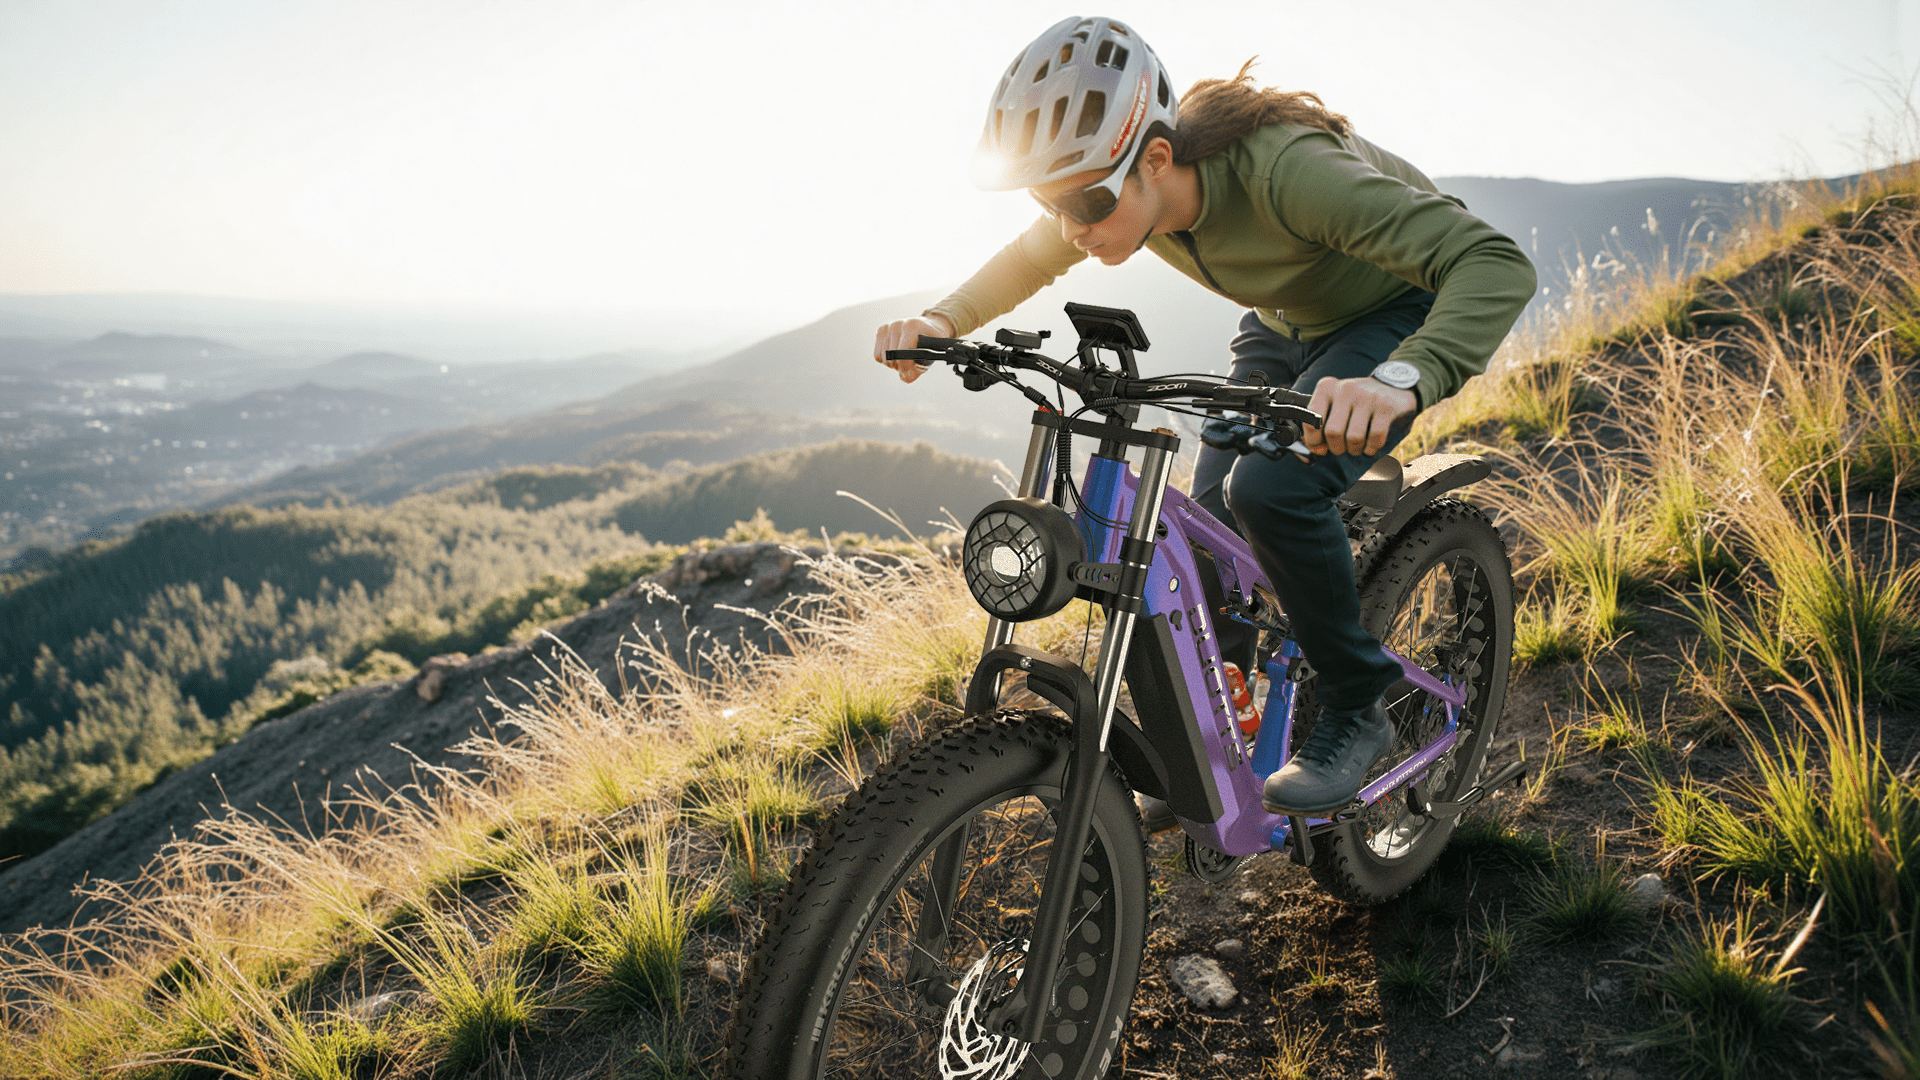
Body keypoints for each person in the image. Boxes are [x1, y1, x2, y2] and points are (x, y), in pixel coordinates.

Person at [872, 16, 1534, 819]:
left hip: (1392, 310)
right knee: (1207, 530)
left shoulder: (1288, 172)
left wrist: (1401, 380)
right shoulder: (1121, 195)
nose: (1073, 226)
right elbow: (1030, 257)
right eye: (1052, 201)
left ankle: (1357, 704)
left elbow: (1494, 262)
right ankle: (1219, 738)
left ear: (1157, 158)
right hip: (1282, 324)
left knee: (1270, 493)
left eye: (1086, 200)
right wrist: (943, 320)